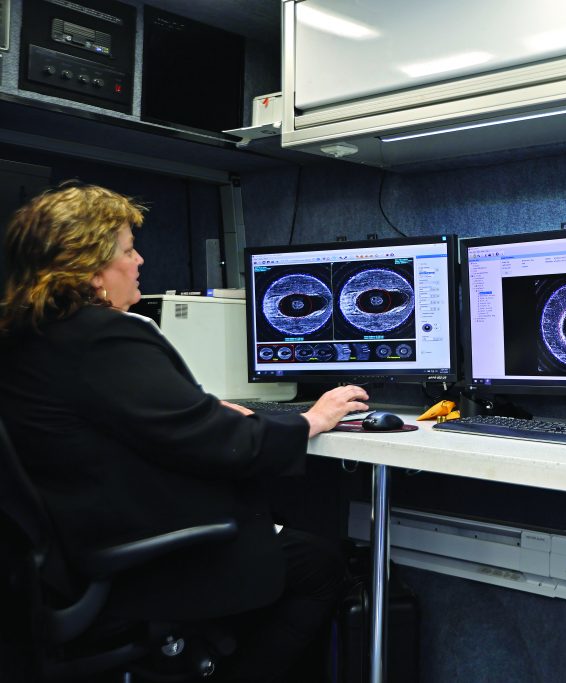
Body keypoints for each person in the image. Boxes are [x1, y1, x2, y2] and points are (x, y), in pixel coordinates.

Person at [0, 183, 369, 681]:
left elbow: (110, 420)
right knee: (319, 563)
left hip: (62, 560)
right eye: (128, 251)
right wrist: (312, 421)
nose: (141, 261)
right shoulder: (104, 336)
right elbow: (223, 445)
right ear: (90, 272)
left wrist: (196, 408)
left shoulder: (27, 337)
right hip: (131, 565)